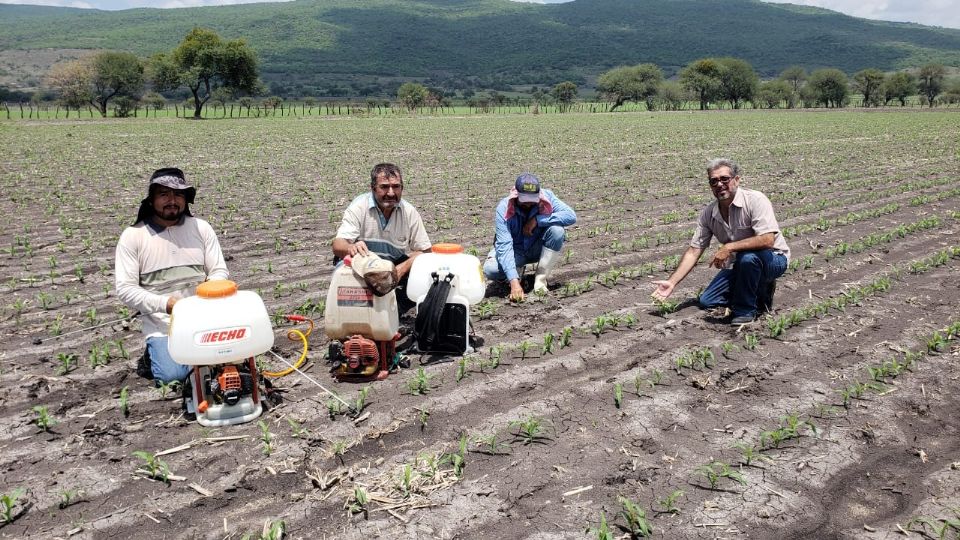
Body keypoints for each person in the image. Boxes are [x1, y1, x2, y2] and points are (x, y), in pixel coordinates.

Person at [115, 167, 229, 384]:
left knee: (229, 362)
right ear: (151, 200)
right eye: (164, 194)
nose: (172, 200)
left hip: (203, 318)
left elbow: (218, 271)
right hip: (163, 325)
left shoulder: (201, 228)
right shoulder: (133, 236)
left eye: (178, 194)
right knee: (174, 377)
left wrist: (207, 295)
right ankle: (154, 352)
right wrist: (167, 304)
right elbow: (125, 290)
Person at [652, 158, 790, 325]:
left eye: (724, 179)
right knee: (707, 300)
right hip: (741, 265)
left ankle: (745, 311)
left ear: (736, 180)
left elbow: (768, 240)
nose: (719, 184)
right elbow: (694, 250)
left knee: (748, 258)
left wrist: (730, 247)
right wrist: (672, 282)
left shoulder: (755, 200)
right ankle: (753, 288)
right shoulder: (709, 213)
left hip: (773, 260)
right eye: (714, 181)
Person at [332, 163, 432, 313]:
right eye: (384, 187)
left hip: (391, 265)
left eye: (396, 186)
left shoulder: (409, 212)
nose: (391, 193)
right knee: (342, 271)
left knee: (427, 275)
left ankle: (393, 311)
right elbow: (337, 244)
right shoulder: (359, 207)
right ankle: (354, 315)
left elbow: (425, 252)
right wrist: (350, 247)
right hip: (363, 265)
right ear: (373, 188)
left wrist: (399, 271)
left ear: (402, 188)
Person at [483, 173, 577, 302]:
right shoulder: (504, 208)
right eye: (524, 200)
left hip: (536, 247)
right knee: (491, 270)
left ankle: (540, 280)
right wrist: (514, 282)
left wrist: (538, 220)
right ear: (516, 194)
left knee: (557, 231)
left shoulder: (547, 197)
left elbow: (570, 216)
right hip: (516, 250)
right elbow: (504, 246)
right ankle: (515, 273)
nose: (528, 204)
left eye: (532, 200)